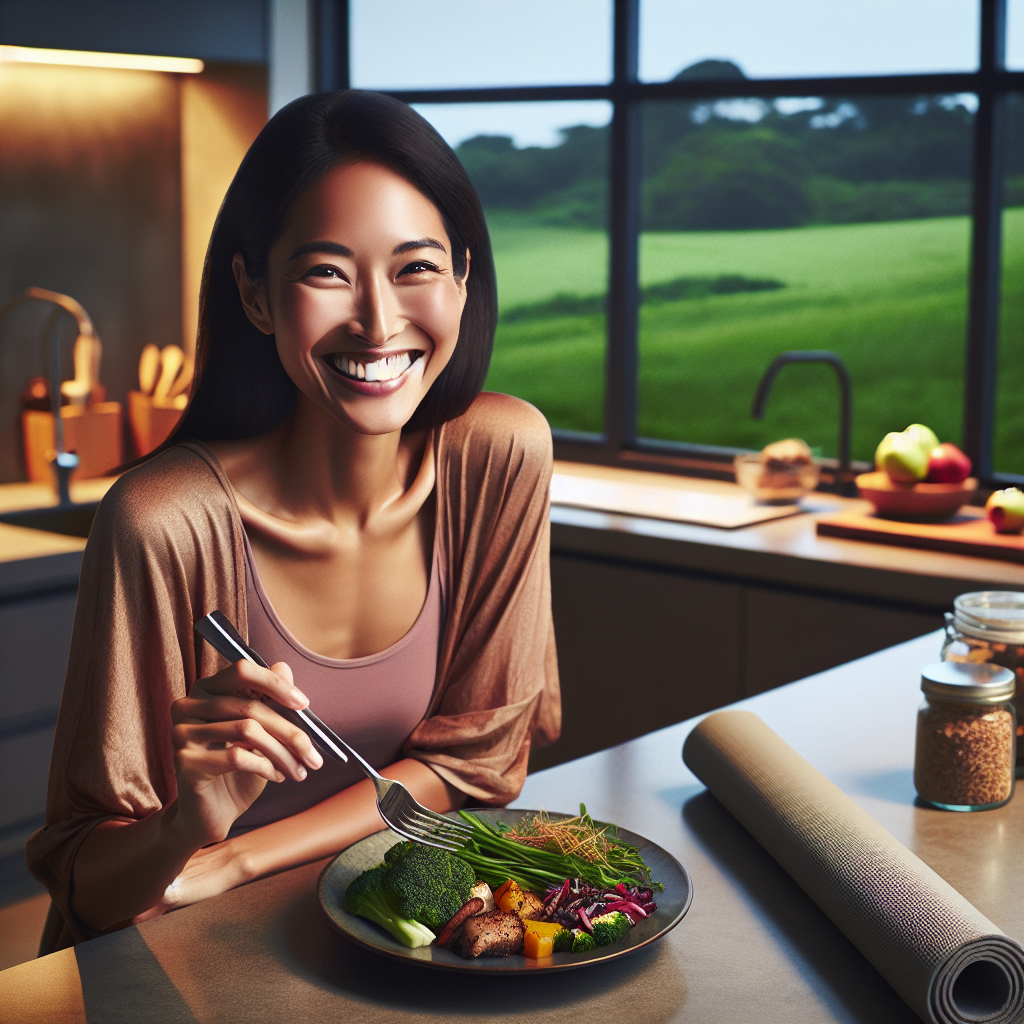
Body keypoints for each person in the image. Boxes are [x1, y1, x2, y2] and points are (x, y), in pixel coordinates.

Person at [26, 91, 560, 953]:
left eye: (416, 267)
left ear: (464, 278)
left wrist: (239, 859)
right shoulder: (162, 522)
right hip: (164, 967)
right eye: (326, 271)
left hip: (349, 948)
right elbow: (90, 891)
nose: (379, 322)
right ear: (255, 293)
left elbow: (476, 762)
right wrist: (184, 829)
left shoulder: (498, 456)